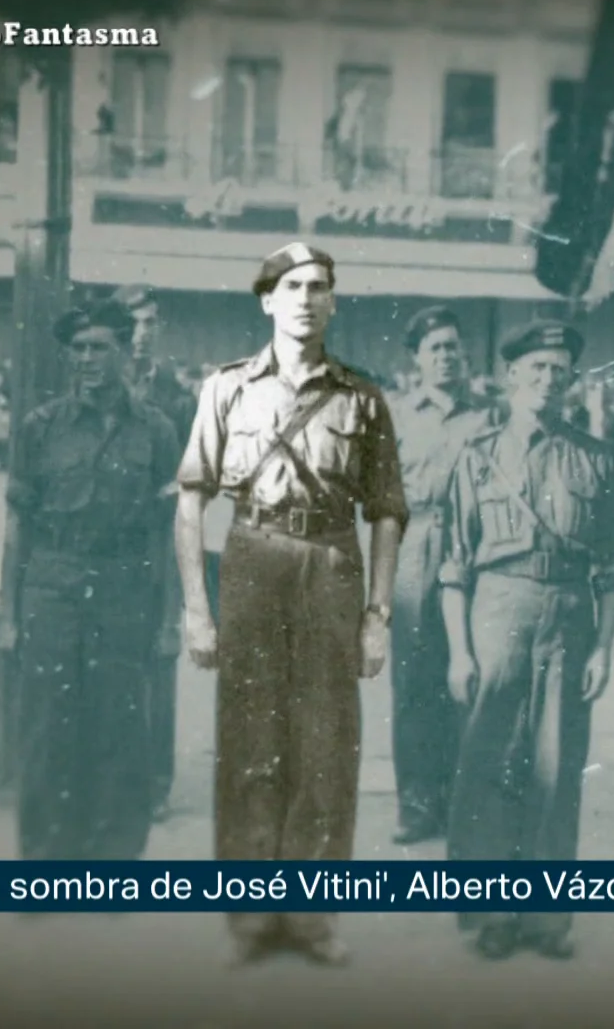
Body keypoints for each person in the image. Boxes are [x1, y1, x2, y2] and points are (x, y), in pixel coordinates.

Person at [173, 242, 408, 968]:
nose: (306, 298)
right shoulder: (227, 389)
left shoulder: (363, 397)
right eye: (292, 286)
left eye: (320, 287)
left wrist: (377, 615)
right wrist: (196, 608)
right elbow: (190, 502)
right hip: (252, 558)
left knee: (326, 742)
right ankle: (250, 914)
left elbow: (388, 512)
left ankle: (311, 914)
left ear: (333, 302)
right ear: (267, 301)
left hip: (331, 566)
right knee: (249, 736)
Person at [437, 321, 614, 962]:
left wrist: (603, 647)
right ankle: (489, 912)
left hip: (569, 617)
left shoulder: (595, 459)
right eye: (537, 369)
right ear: (514, 376)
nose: (548, 379)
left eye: (559, 370)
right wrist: (460, 652)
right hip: (499, 609)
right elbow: (454, 567)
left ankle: (547, 914)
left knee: (556, 766)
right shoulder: (479, 454)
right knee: (491, 761)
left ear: (572, 381)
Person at [0, 296, 181, 862]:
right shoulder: (41, 427)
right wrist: (8, 611)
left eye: (98, 347)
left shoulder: (157, 430)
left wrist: (172, 618)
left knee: (120, 730)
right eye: (77, 349)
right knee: (46, 731)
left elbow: (168, 533)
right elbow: (16, 527)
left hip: (124, 587)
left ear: (124, 352)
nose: (85, 359)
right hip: (52, 585)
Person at [389, 306, 496, 845]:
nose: (447, 356)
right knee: (414, 680)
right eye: (435, 348)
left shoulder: (491, 416)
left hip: (478, 549)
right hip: (415, 548)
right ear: (417, 359)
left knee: (471, 672)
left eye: (453, 346)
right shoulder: (398, 416)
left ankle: (462, 794)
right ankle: (416, 799)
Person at [116, 283, 199, 821]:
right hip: (102, 542)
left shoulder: (177, 397)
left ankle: (153, 784)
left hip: (158, 544)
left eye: (150, 324)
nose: (142, 335)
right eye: (133, 325)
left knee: (157, 658)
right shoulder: (95, 385)